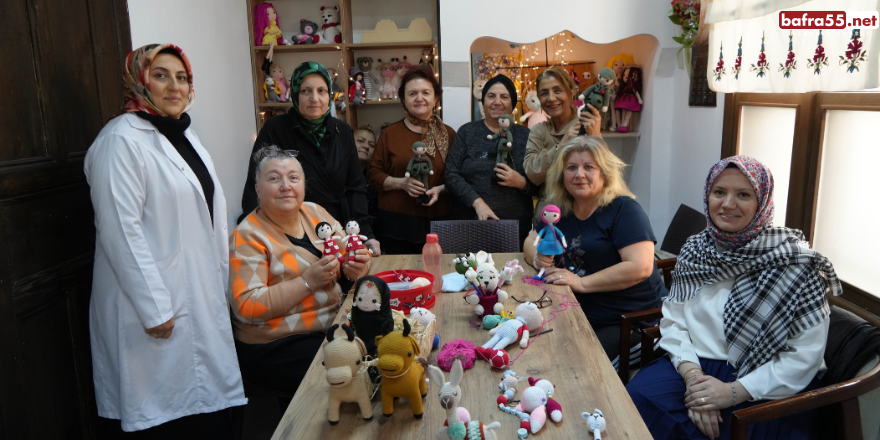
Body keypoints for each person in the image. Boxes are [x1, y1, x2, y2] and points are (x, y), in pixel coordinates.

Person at [84, 44, 246, 437]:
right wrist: (155, 308)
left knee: (200, 404)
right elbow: (120, 230)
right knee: (162, 413)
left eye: (182, 77)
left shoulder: (183, 135)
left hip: (193, 289)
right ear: (138, 81)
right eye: (160, 75)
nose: (175, 86)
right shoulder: (120, 140)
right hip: (151, 303)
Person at [626, 156, 841, 440]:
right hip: (693, 364)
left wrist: (732, 392)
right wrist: (694, 379)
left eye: (743, 195)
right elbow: (674, 321)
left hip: (765, 380)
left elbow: (804, 356)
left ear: (762, 202)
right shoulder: (695, 250)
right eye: (719, 192)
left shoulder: (797, 265)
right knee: (637, 402)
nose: (728, 204)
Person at [230, 145, 372, 406]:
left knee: (381, 344)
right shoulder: (247, 236)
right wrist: (307, 282)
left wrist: (358, 266)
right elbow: (245, 307)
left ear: (303, 186)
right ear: (257, 189)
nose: (286, 186)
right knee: (350, 369)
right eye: (274, 178)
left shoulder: (315, 212)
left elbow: (349, 251)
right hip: (276, 344)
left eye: (293, 177)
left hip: (330, 324)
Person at [524, 136, 665, 369]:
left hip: (634, 323)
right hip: (581, 310)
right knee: (538, 348)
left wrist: (580, 283)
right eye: (571, 167)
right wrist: (538, 258)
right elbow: (531, 239)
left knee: (577, 367)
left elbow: (640, 267)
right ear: (561, 175)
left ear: (604, 174)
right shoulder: (562, 209)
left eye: (589, 167)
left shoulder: (625, 209)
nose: (579, 174)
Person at [240, 62, 381, 256]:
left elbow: (356, 187)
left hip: (337, 230)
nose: (314, 98)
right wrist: (258, 235)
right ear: (295, 94)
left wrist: (365, 233)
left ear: (329, 95)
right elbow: (255, 185)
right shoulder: (275, 128)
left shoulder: (343, 131)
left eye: (321, 91)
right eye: (306, 91)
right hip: (290, 232)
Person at [368, 65, 455, 254]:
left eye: (426, 92)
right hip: (396, 224)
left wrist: (440, 189)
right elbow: (373, 174)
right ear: (403, 100)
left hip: (439, 223)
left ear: (436, 98)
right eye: (412, 93)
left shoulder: (449, 135)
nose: (419, 98)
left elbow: (458, 177)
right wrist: (400, 183)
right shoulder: (390, 133)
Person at [445, 74, 537, 246]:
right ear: (483, 101)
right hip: (468, 224)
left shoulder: (527, 136)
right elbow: (451, 174)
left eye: (504, 97)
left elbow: (541, 183)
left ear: (512, 103)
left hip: (514, 228)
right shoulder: (467, 132)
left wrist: (522, 183)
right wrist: (477, 202)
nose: (497, 102)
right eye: (491, 96)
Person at [523, 67, 603, 224]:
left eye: (558, 91)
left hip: (585, 211)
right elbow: (532, 173)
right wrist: (563, 143)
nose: (551, 98)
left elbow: (605, 173)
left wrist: (596, 136)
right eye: (544, 93)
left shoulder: (586, 124)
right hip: (548, 216)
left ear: (571, 92)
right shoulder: (538, 131)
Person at [354, 125, 379, 219]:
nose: (366, 146)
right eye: (360, 141)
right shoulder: (337, 175)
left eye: (371, 145)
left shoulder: (373, 182)